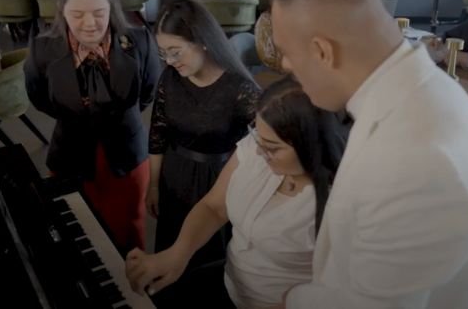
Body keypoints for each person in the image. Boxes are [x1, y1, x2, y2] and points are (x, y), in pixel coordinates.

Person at [269, 0, 468, 308]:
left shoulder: (415, 158)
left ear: (322, 51)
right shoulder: (410, 90)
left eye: (286, 52)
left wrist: (290, 299)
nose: (286, 65)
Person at [127, 77, 344, 309]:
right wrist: (177, 255)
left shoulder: (341, 203)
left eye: (272, 147)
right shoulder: (256, 148)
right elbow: (214, 207)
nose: (258, 152)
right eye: (257, 136)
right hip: (230, 280)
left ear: (313, 145)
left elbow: (338, 294)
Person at [24, 0, 161, 252]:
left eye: (99, 13)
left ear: (112, 7)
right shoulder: (42, 50)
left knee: (129, 228)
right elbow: (40, 99)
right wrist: (77, 113)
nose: (89, 24)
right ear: (62, 11)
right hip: (70, 153)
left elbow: (147, 94)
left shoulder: (140, 42)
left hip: (126, 152)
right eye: (77, 15)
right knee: (75, 232)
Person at [142, 0, 260, 307]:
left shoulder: (239, 88)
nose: (169, 61)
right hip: (175, 175)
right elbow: (158, 132)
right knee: (171, 254)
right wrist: (153, 184)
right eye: (163, 53)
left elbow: (268, 140)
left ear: (202, 42)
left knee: (207, 267)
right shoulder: (170, 78)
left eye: (175, 51)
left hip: (218, 181)